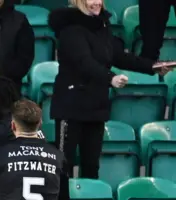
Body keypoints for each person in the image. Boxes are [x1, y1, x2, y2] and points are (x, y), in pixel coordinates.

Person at [49, 0, 169, 179]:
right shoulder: (70, 28)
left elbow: (117, 56)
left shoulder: (102, 25)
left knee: (91, 166)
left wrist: (151, 66)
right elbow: (84, 62)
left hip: (96, 106)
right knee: (63, 165)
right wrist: (110, 78)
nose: (97, 3)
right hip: (71, 107)